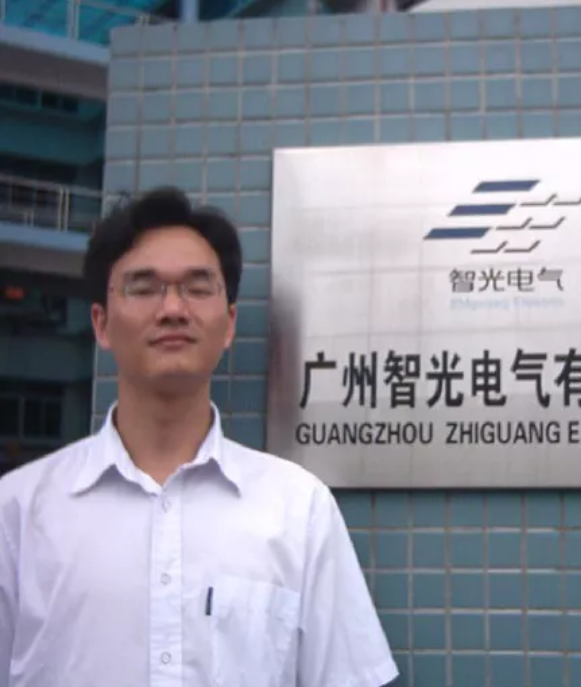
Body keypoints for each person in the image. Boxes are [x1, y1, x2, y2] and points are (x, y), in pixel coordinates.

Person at [0, 187, 398, 687]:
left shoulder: (298, 508)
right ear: (101, 323)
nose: (172, 308)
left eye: (197, 286)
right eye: (144, 287)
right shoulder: (17, 512)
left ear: (229, 324)